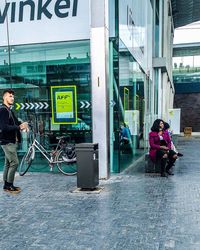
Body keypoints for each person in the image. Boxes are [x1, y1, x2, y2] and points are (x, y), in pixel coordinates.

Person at [0, 89, 29, 193]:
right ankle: (9, 185)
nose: (12, 98)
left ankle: (6, 185)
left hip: (11, 141)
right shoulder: (3, 110)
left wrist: (23, 123)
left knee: (8, 164)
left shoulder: (9, 110)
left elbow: (16, 123)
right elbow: (4, 127)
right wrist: (19, 127)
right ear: (4, 97)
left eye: (12, 96)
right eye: (9, 96)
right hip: (7, 142)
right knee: (15, 163)